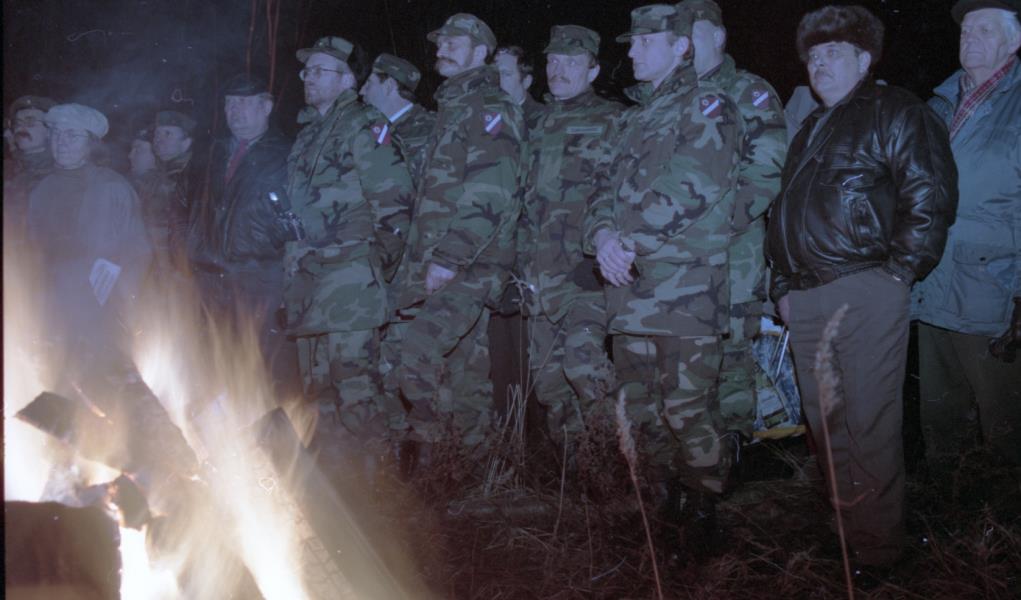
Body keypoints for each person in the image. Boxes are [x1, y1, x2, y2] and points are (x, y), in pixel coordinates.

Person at [765, 5, 957, 569]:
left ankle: (877, 554)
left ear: (864, 58)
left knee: (867, 421)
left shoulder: (896, 110)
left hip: (865, 287)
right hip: (805, 296)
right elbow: (785, 214)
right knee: (826, 423)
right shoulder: (810, 128)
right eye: (813, 56)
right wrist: (782, 285)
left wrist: (897, 273)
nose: (819, 65)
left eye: (833, 53)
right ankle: (849, 530)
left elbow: (930, 194)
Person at [585, 4, 741, 553]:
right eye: (631, 42)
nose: (631, 51)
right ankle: (660, 511)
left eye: (645, 41)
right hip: (630, 290)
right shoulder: (630, 119)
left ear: (681, 47)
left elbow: (693, 183)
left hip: (684, 290)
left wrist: (626, 242)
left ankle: (702, 515)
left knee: (687, 409)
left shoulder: (707, 104)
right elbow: (598, 190)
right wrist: (602, 238)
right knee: (641, 408)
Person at [27, 103, 195, 477]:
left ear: (91, 143)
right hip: (54, 311)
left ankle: (168, 465)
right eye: (56, 135)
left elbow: (137, 252)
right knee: (60, 389)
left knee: (116, 388)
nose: (61, 142)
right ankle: (66, 471)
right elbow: (33, 251)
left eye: (72, 136)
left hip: (100, 315)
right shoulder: (43, 190)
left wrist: (114, 291)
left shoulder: (111, 187)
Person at [391, 13, 525, 454]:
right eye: (440, 41)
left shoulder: (489, 107)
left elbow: (491, 192)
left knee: (417, 353)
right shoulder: (454, 108)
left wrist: (449, 257)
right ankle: (470, 469)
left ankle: (434, 452)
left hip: (469, 264)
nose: (442, 47)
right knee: (466, 373)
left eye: (454, 41)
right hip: (445, 261)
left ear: (481, 52)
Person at [283, 36, 414, 466]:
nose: (309, 78)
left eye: (320, 71)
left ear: (347, 79)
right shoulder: (308, 135)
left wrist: (373, 265)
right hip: (310, 280)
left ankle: (383, 483)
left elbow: (395, 203)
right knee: (317, 391)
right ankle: (342, 483)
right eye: (307, 71)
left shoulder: (365, 125)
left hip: (350, 280)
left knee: (356, 388)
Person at [912, 0, 1021, 473]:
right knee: (942, 424)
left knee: (1006, 431)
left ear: (1014, 41)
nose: (970, 38)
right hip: (933, 285)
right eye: (965, 31)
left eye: (985, 29)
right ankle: (948, 514)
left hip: (996, 296)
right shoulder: (938, 104)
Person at [678, 0, 788, 462]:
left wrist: (713, 226)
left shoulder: (748, 91)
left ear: (719, 37)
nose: (685, 43)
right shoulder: (670, 93)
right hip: (675, 257)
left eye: (695, 32)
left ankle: (735, 450)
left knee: (731, 352)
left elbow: (766, 169)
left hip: (731, 251)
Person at [518, 24, 621, 444]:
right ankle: (577, 471)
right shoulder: (534, 124)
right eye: (553, 60)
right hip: (538, 278)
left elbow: (620, 194)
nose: (558, 69)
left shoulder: (613, 120)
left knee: (584, 368)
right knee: (549, 386)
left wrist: (598, 255)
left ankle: (618, 460)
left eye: (571, 62)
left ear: (593, 70)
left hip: (585, 275)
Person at [188, 74, 299, 398]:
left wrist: (274, 253)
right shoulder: (213, 153)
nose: (234, 111)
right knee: (214, 358)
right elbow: (190, 207)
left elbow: (297, 216)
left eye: (243, 103)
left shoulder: (287, 153)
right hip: (212, 276)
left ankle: (267, 424)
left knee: (261, 363)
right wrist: (192, 250)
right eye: (229, 103)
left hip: (260, 277)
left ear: (266, 107)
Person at [359, 53, 436, 188]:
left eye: (369, 83)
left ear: (389, 85)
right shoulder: (374, 129)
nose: (361, 91)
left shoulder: (433, 128)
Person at [4, 95, 57, 237]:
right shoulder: (8, 169)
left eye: (30, 122)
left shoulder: (63, 173)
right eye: (17, 122)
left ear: (50, 131)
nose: (21, 128)